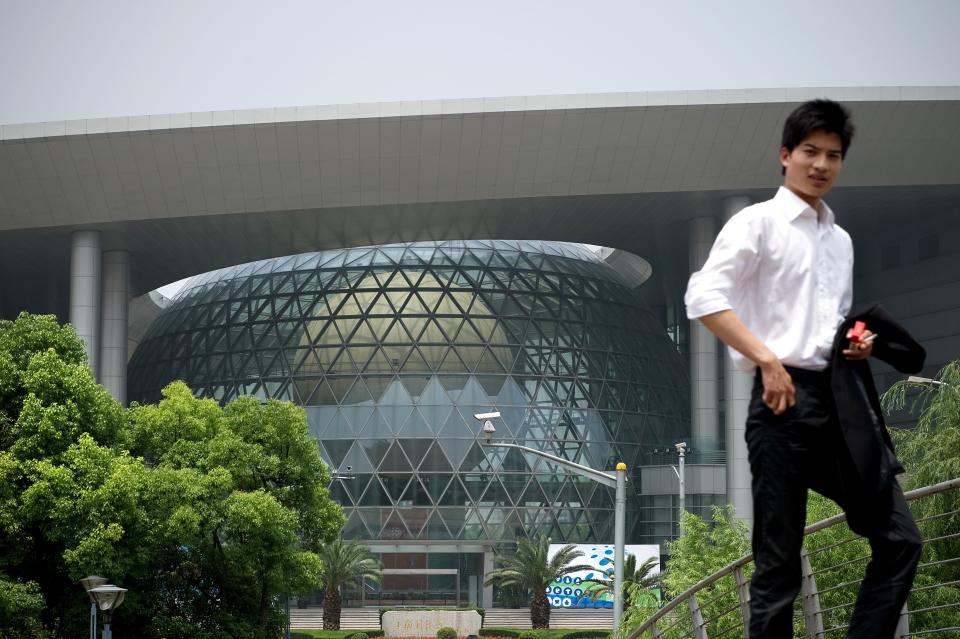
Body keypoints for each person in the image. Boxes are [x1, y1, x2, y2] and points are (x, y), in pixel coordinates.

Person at [684, 99, 922, 638]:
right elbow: (703, 296)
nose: (821, 165)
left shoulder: (841, 242)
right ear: (785, 156)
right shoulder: (758, 223)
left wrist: (856, 345)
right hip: (779, 403)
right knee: (778, 564)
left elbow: (828, 322)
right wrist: (766, 358)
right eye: (810, 152)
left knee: (900, 538)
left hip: (840, 403)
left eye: (833, 155)